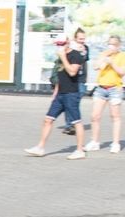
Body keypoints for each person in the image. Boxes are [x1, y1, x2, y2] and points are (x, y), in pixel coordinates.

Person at [25, 30, 88, 159]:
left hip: (71, 94)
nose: (60, 46)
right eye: (58, 44)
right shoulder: (59, 57)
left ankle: (80, 150)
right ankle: (40, 147)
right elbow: (60, 76)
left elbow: (72, 72)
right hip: (60, 94)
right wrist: (55, 93)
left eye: (62, 43)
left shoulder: (76, 56)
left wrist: (63, 57)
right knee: (48, 119)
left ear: (68, 42)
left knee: (76, 122)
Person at [86, 35, 125, 153]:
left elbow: (122, 72)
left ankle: (115, 143)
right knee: (95, 116)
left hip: (115, 89)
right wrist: (103, 58)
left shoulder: (122, 56)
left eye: (113, 44)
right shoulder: (103, 54)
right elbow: (96, 67)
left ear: (118, 46)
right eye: (109, 44)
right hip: (101, 88)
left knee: (115, 116)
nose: (111, 46)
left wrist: (112, 62)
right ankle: (95, 142)